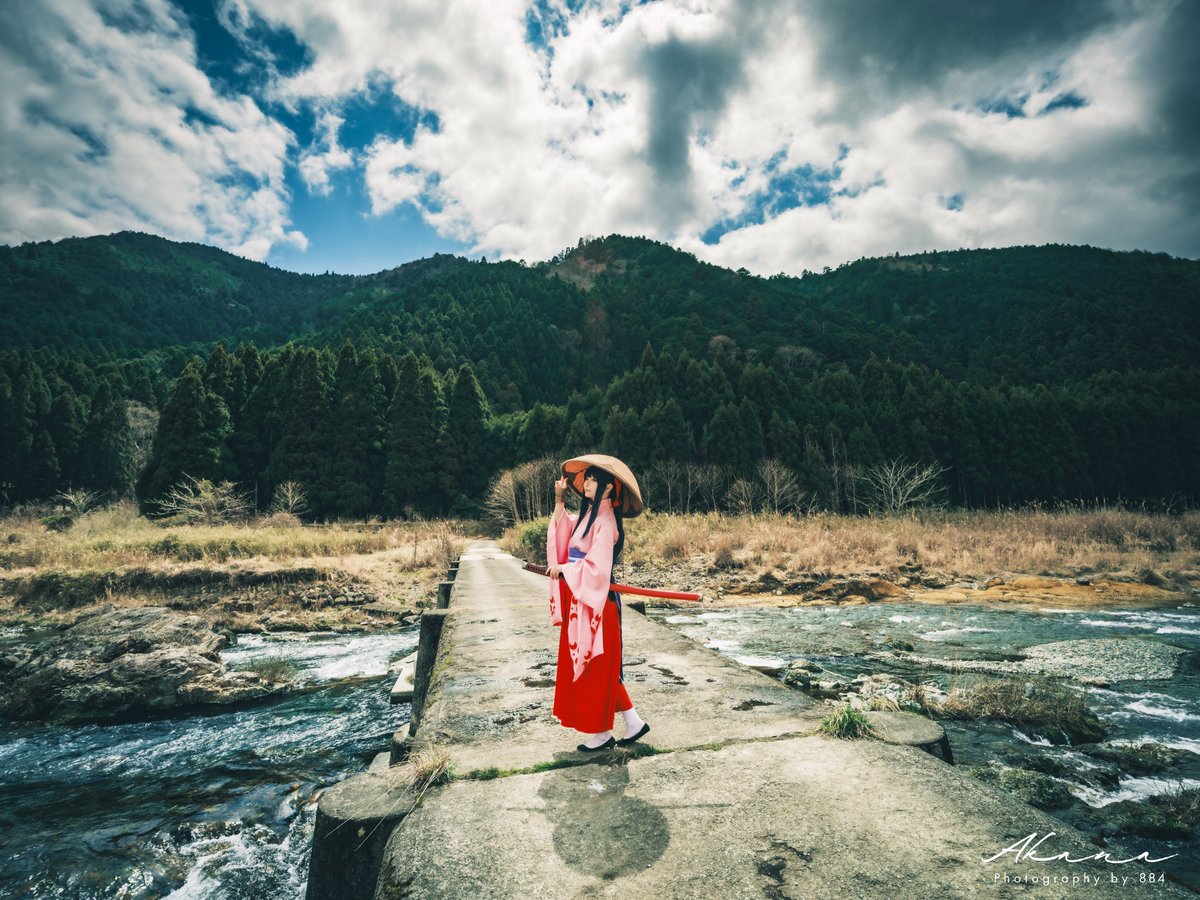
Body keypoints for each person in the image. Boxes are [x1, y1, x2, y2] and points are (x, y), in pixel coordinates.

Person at [546, 455, 651, 752]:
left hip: (598, 603)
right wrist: (559, 498)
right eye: (587, 477)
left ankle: (602, 733)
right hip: (584, 600)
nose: (588, 482)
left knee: (596, 667)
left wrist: (566, 569)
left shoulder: (605, 522)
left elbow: (597, 567)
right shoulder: (588, 516)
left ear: (608, 488)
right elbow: (561, 534)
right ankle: (633, 723)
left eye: (593, 478)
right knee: (599, 666)